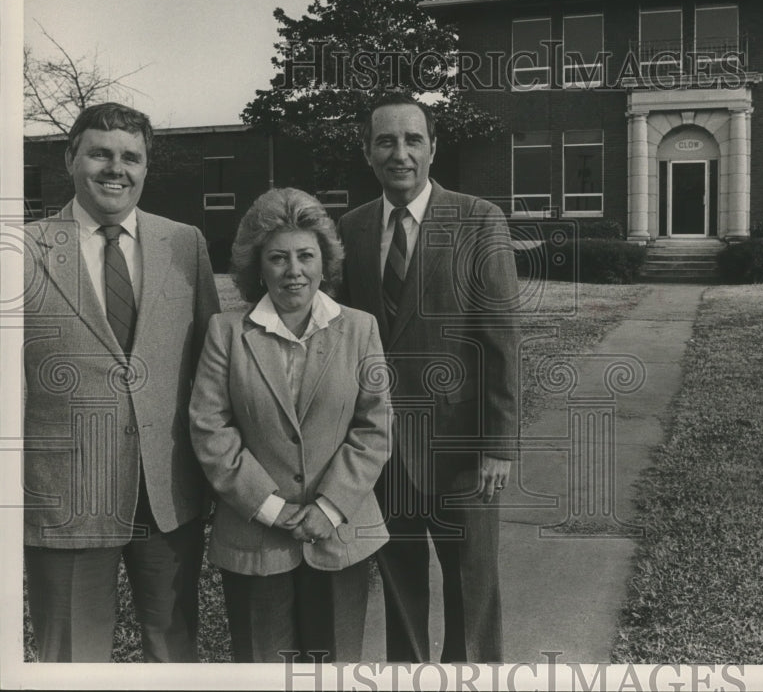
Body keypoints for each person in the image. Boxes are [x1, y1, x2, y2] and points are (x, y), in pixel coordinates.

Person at [21, 102, 220, 661]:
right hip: (65, 496)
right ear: (70, 159)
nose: (117, 168)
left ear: (146, 167)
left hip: (167, 494)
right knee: (72, 658)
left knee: (173, 650)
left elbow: (212, 368)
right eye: (101, 153)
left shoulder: (185, 243)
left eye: (131, 157)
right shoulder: (22, 250)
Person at [338, 93, 521, 662]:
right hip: (383, 449)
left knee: (472, 585)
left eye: (412, 140)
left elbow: (501, 341)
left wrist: (497, 445)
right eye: (386, 141)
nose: (400, 153)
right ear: (368, 152)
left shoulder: (479, 219)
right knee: (399, 585)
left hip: (462, 447)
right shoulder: (352, 228)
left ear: (433, 147)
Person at [188, 187, 391, 663]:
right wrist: (269, 507)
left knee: (335, 670)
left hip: (340, 536)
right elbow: (209, 426)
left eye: (305, 255)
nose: (293, 270)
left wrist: (332, 506)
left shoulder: (360, 329)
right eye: (278, 258)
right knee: (264, 670)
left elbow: (374, 427)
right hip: (255, 538)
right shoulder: (226, 331)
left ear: (325, 263)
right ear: (257, 267)